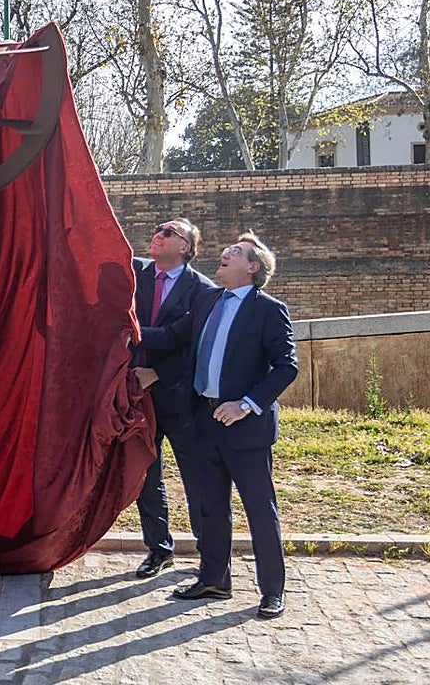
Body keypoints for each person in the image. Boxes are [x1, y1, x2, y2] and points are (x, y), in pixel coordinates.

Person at [139, 231, 298, 620]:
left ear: (253, 267)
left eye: (236, 252)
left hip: (244, 428)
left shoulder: (269, 309)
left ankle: (272, 590)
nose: (225, 254)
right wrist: (126, 327)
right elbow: (173, 337)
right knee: (210, 506)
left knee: (260, 509)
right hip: (202, 420)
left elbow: (286, 366)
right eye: (228, 249)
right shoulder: (207, 299)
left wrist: (247, 404)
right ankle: (214, 579)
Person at [130, 219, 215, 580]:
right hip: (138, 397)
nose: (158, 235)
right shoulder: (137, 274)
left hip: (181, 400)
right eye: (157, 230)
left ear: (184, 247)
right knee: (146, 477)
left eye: (168, 232)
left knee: (197, 478)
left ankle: (210, 554)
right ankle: (159, 548)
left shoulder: (203, 290)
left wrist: (159, 374)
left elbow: (195, 345)